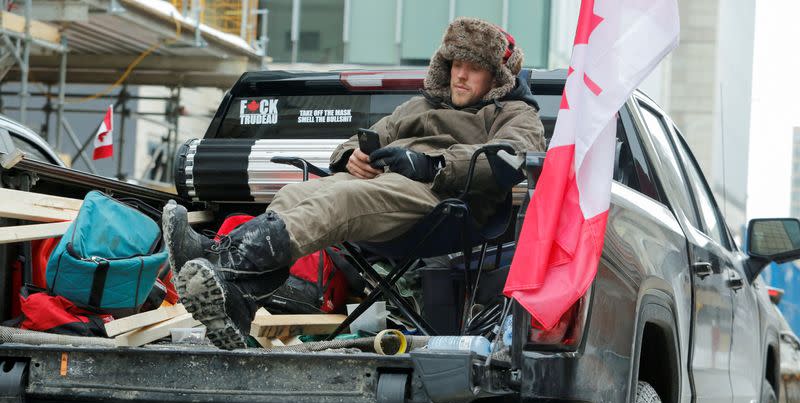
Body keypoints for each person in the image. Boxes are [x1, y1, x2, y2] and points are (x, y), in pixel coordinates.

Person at [163, 17, 546, 350]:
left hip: (442, 201)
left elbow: (513, 154)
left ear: (498, 76)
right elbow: (362, 138)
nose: (460, 75)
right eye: (456, 64)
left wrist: (430, 164)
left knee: (343, 199)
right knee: (296, 192)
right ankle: (237, 294)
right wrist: (352, 157)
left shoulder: (515, 113)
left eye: (473, 68)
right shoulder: (421, 106)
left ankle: (222, 263)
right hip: (388, 188)